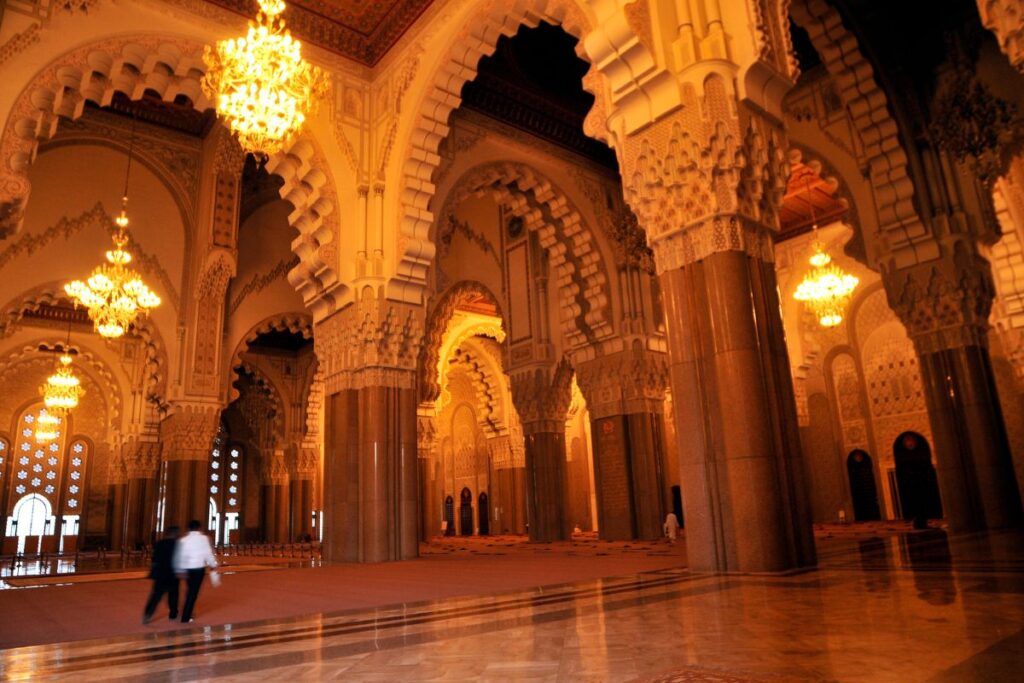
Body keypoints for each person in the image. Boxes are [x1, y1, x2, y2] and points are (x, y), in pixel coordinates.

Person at [174, 519, 218, 623]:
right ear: (199, 528)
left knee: (190, 591)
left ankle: (188, 612)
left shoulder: (183, 540)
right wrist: (213, 564)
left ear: (188, 528)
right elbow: (208, 553)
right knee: (193, 592)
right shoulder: (204, 539)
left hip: (187, 569)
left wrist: (179, 569)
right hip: (199, 569)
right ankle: (186, 616)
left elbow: (180, 556)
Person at [142, 526, 180, 624]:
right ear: (175, 534)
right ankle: (173, 614)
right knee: (173, 595)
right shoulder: (178, 544)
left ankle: (148, 614)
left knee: (156, 595)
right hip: (173, 573)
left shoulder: (159, 543)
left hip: (160, 573)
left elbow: (154, 559)